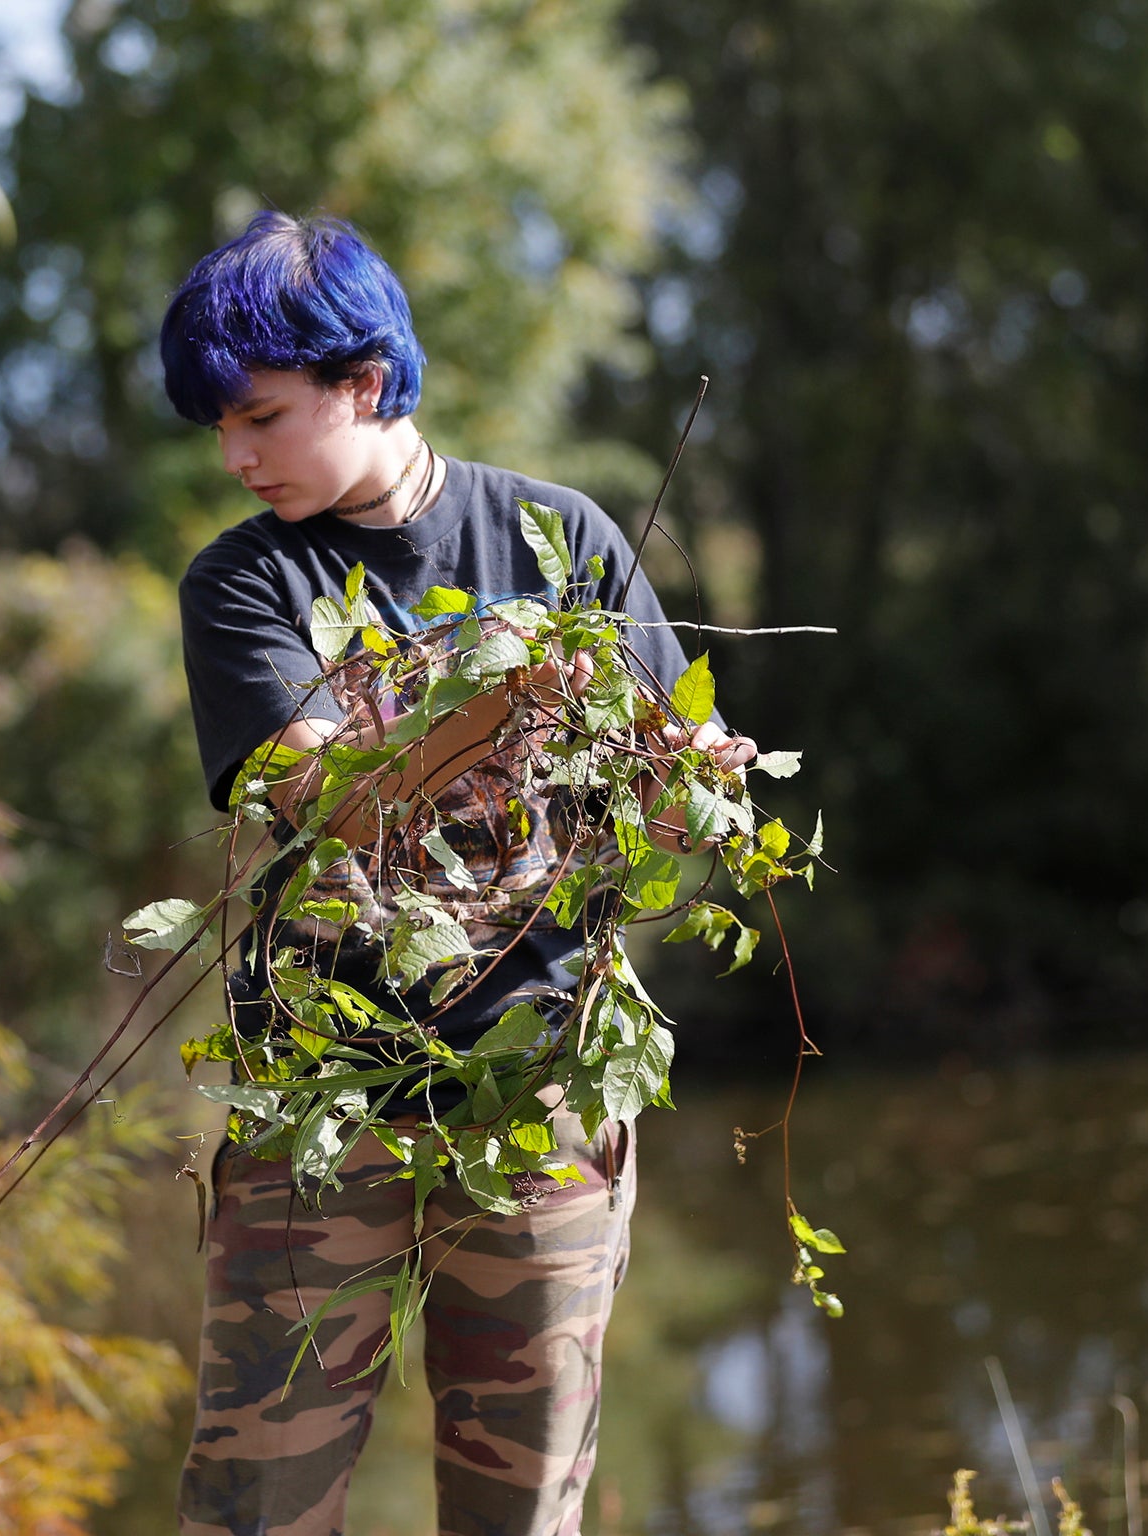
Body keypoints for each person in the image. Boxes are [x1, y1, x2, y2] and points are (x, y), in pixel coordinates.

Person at [162, 210, 756, 1536]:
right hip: (327, 1101)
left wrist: (698, 790)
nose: (236, 453)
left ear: (363, 384)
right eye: (219, 427)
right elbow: (319, 796)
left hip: (540, 1097)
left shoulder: (563, 539)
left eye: (259, 415)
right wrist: (503, 696)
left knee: (524, 1509)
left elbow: (655, 815)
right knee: (256, 1510)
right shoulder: (245, 583)